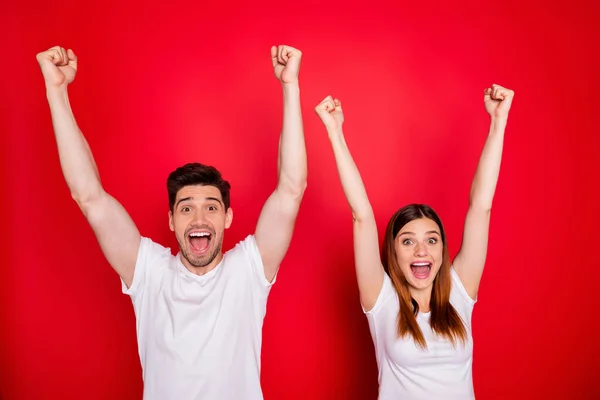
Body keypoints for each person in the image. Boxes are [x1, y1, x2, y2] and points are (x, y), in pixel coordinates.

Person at [36, 44, 307, 400]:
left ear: (227, 217)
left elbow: (291, 189)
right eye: (186, 208)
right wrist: (56, 92)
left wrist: (291, 85)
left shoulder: (249, 270)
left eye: (211, 208)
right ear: (170, 219)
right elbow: (90, 197)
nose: (198, 218)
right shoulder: (149, 272)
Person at [314, 84, 514, 399]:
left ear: (442, 249)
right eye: (408, 241)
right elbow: (361, 215)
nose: (421, 250)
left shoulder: (459, 295)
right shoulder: (381, 301)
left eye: (431, 240)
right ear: (393, 252)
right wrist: (335, 132)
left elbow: (481, 206)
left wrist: (498, 123)